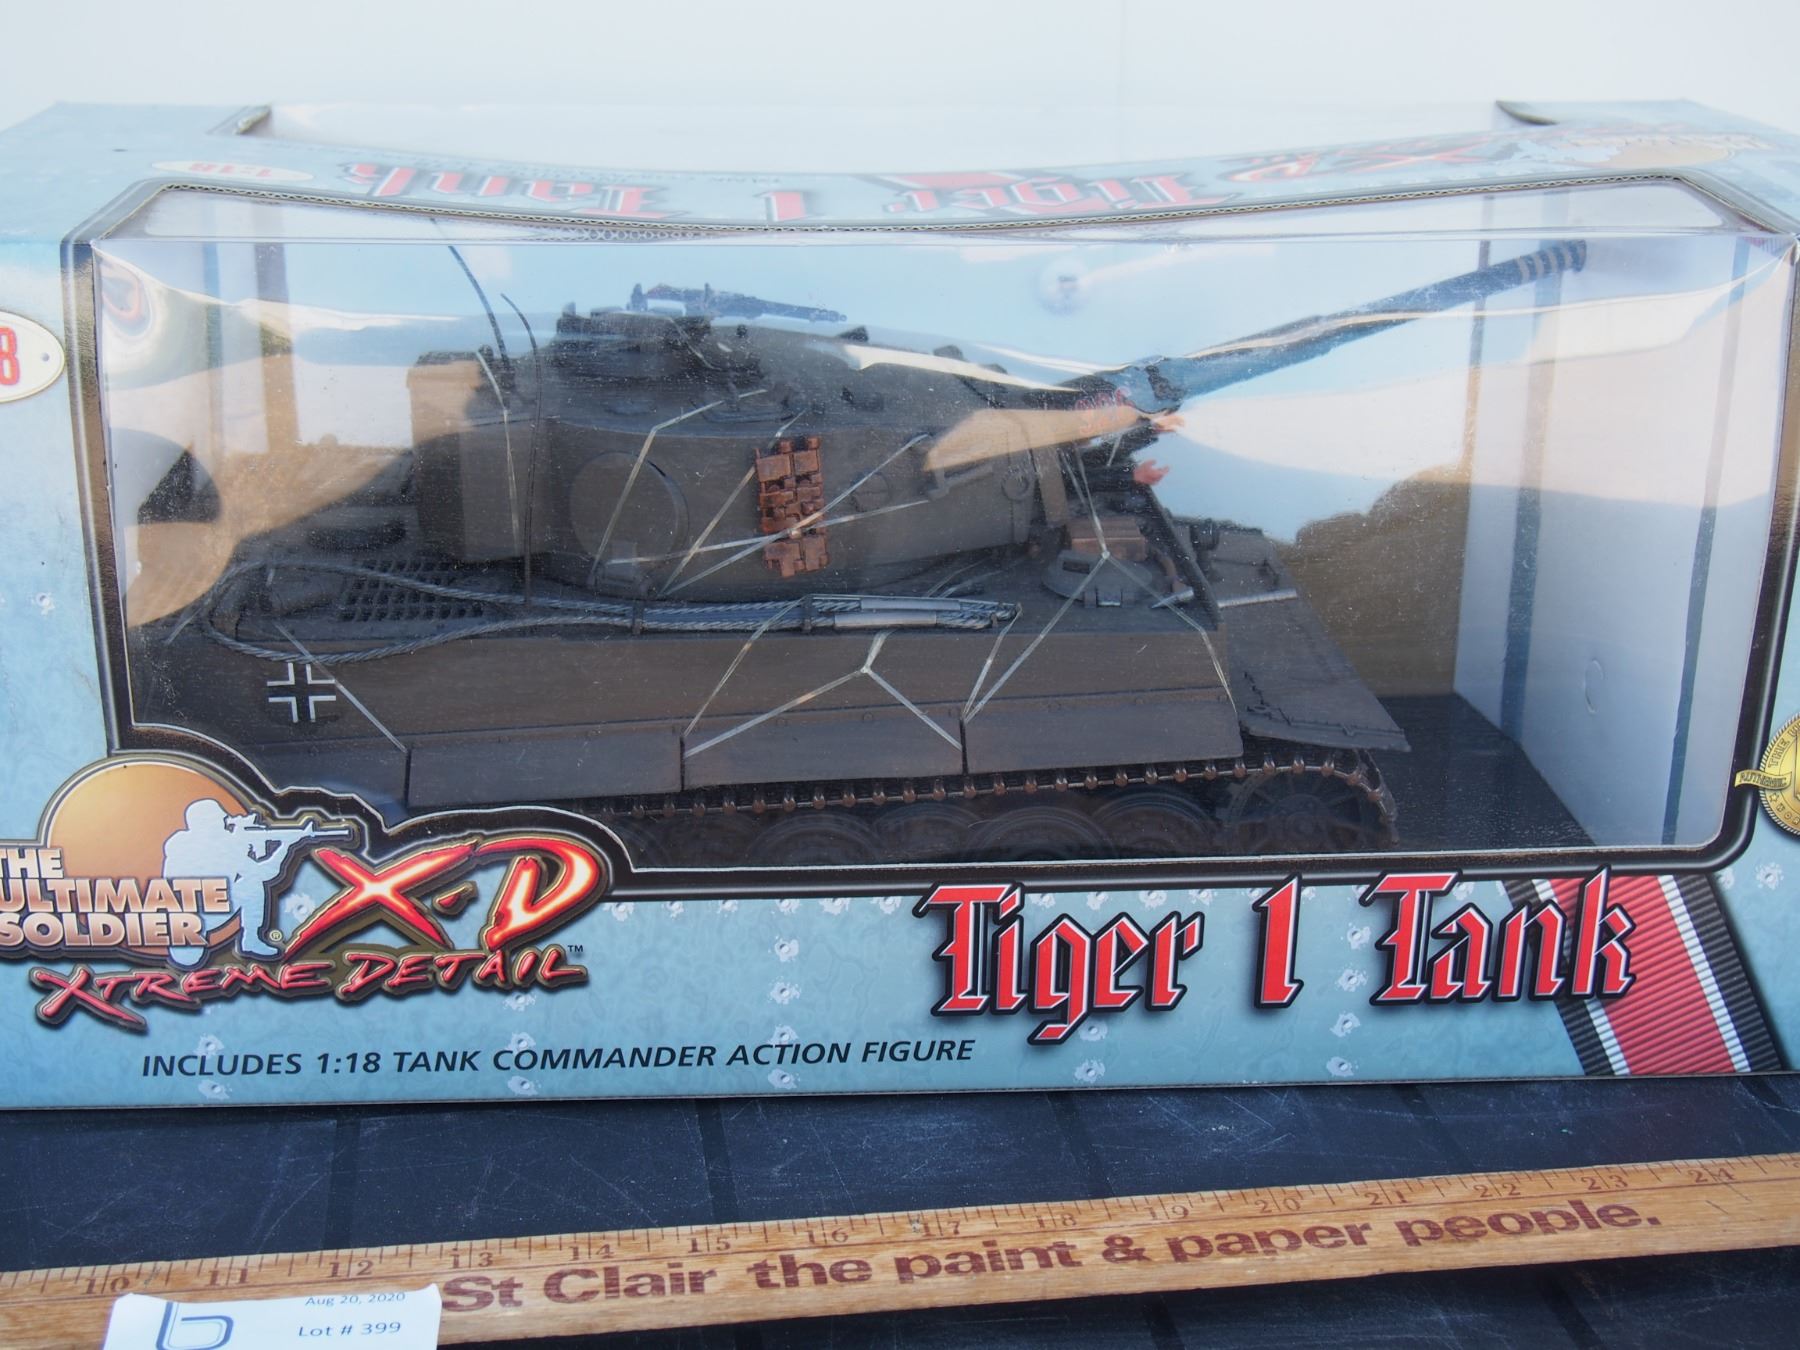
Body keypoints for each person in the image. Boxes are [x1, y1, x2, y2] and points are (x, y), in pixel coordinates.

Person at [161, 799, 322, 966]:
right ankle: (251, 940)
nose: (225, 824)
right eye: (221, 820)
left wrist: (243, 839)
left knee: (248, 883)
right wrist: (286, 846)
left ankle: (251, 941)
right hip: (208, 913)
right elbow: (266, 874)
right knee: (251, 885)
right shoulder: (221, 846)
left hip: (195, 911)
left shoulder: (180, 843)